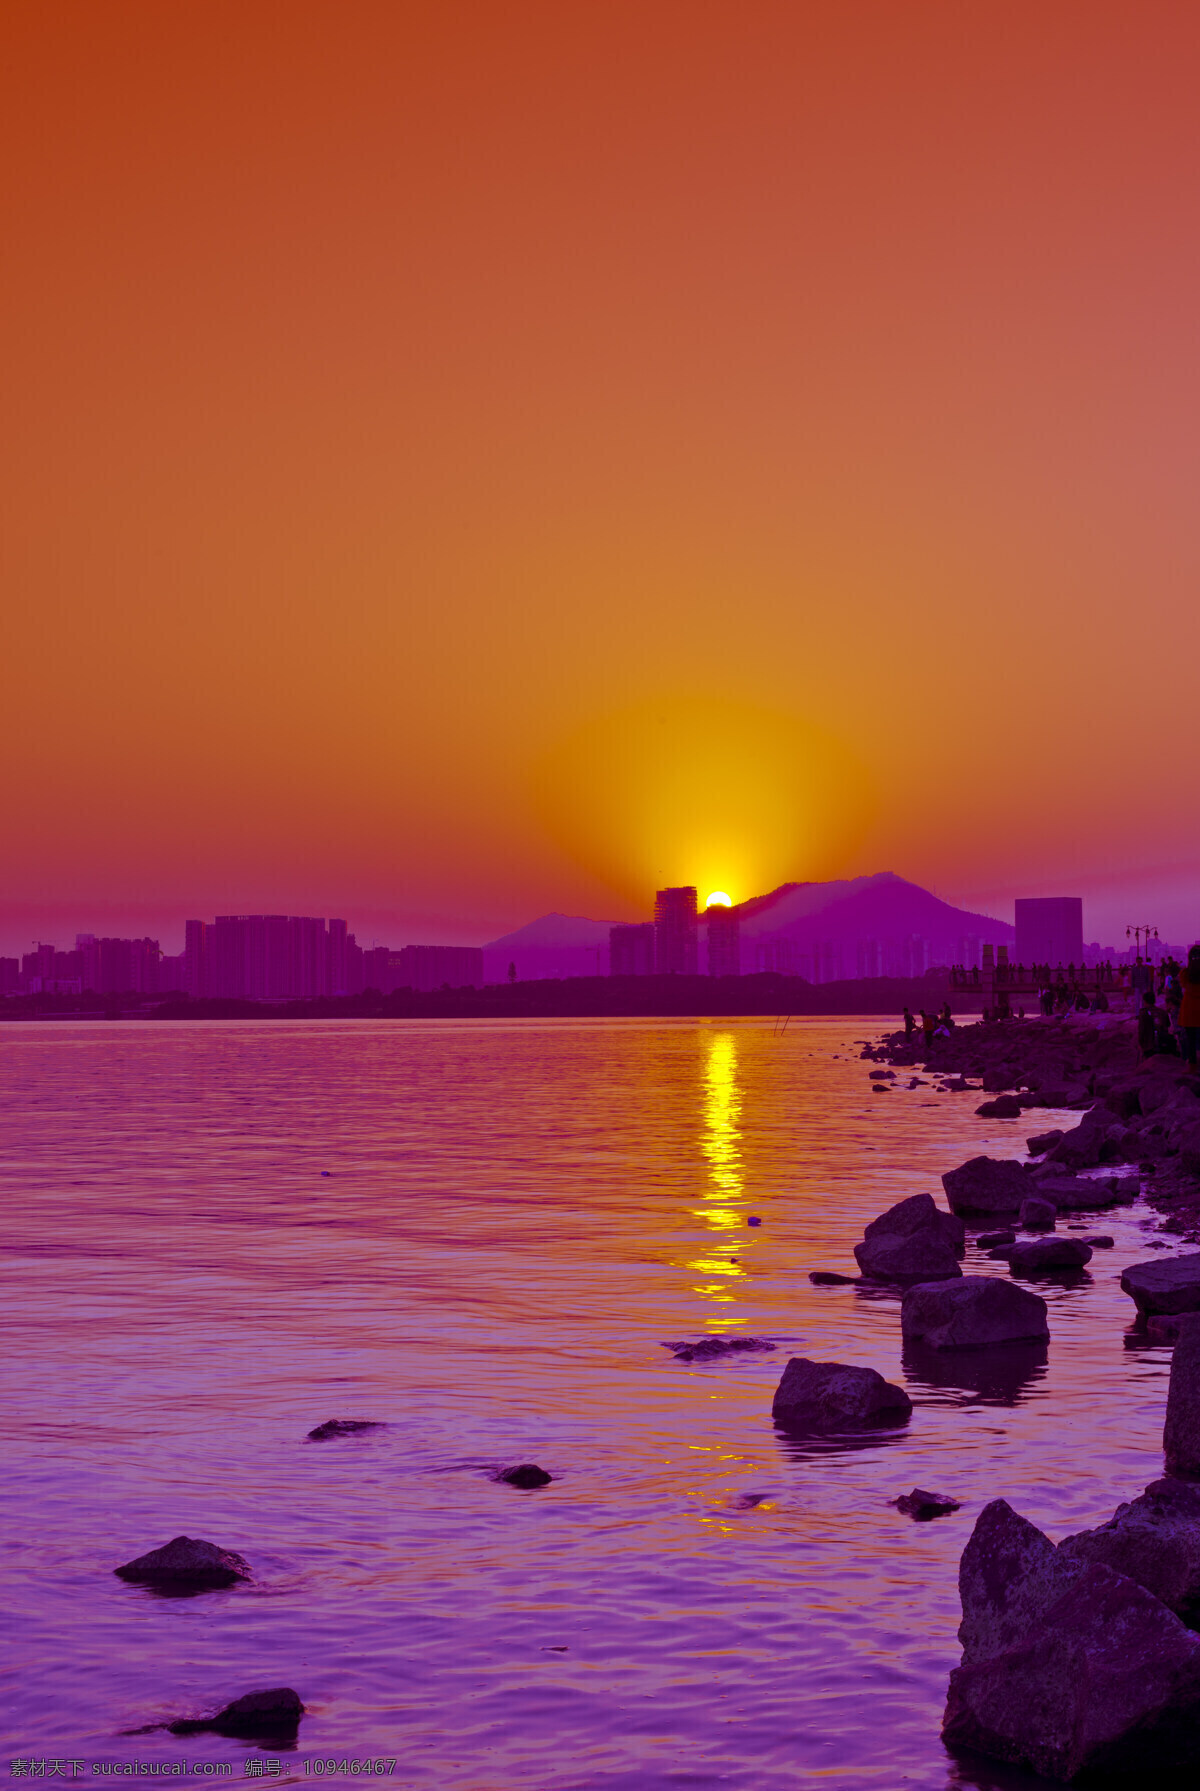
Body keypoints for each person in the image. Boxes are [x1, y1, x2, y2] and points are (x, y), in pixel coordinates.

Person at [1179, 947, 1200, 1070]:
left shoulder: (1185, 973)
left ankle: (1192, 1065)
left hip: (1189, 1011)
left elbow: (1183, 986)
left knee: (1191, 1041)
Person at [1137, 990, 1159, 1057]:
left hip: (1149, 1045)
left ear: (1144, 1001)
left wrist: (1140, 1043)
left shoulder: (1143, 1013)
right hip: (1162, 1042)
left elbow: (1141, 1030)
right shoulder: (1162, 1012)